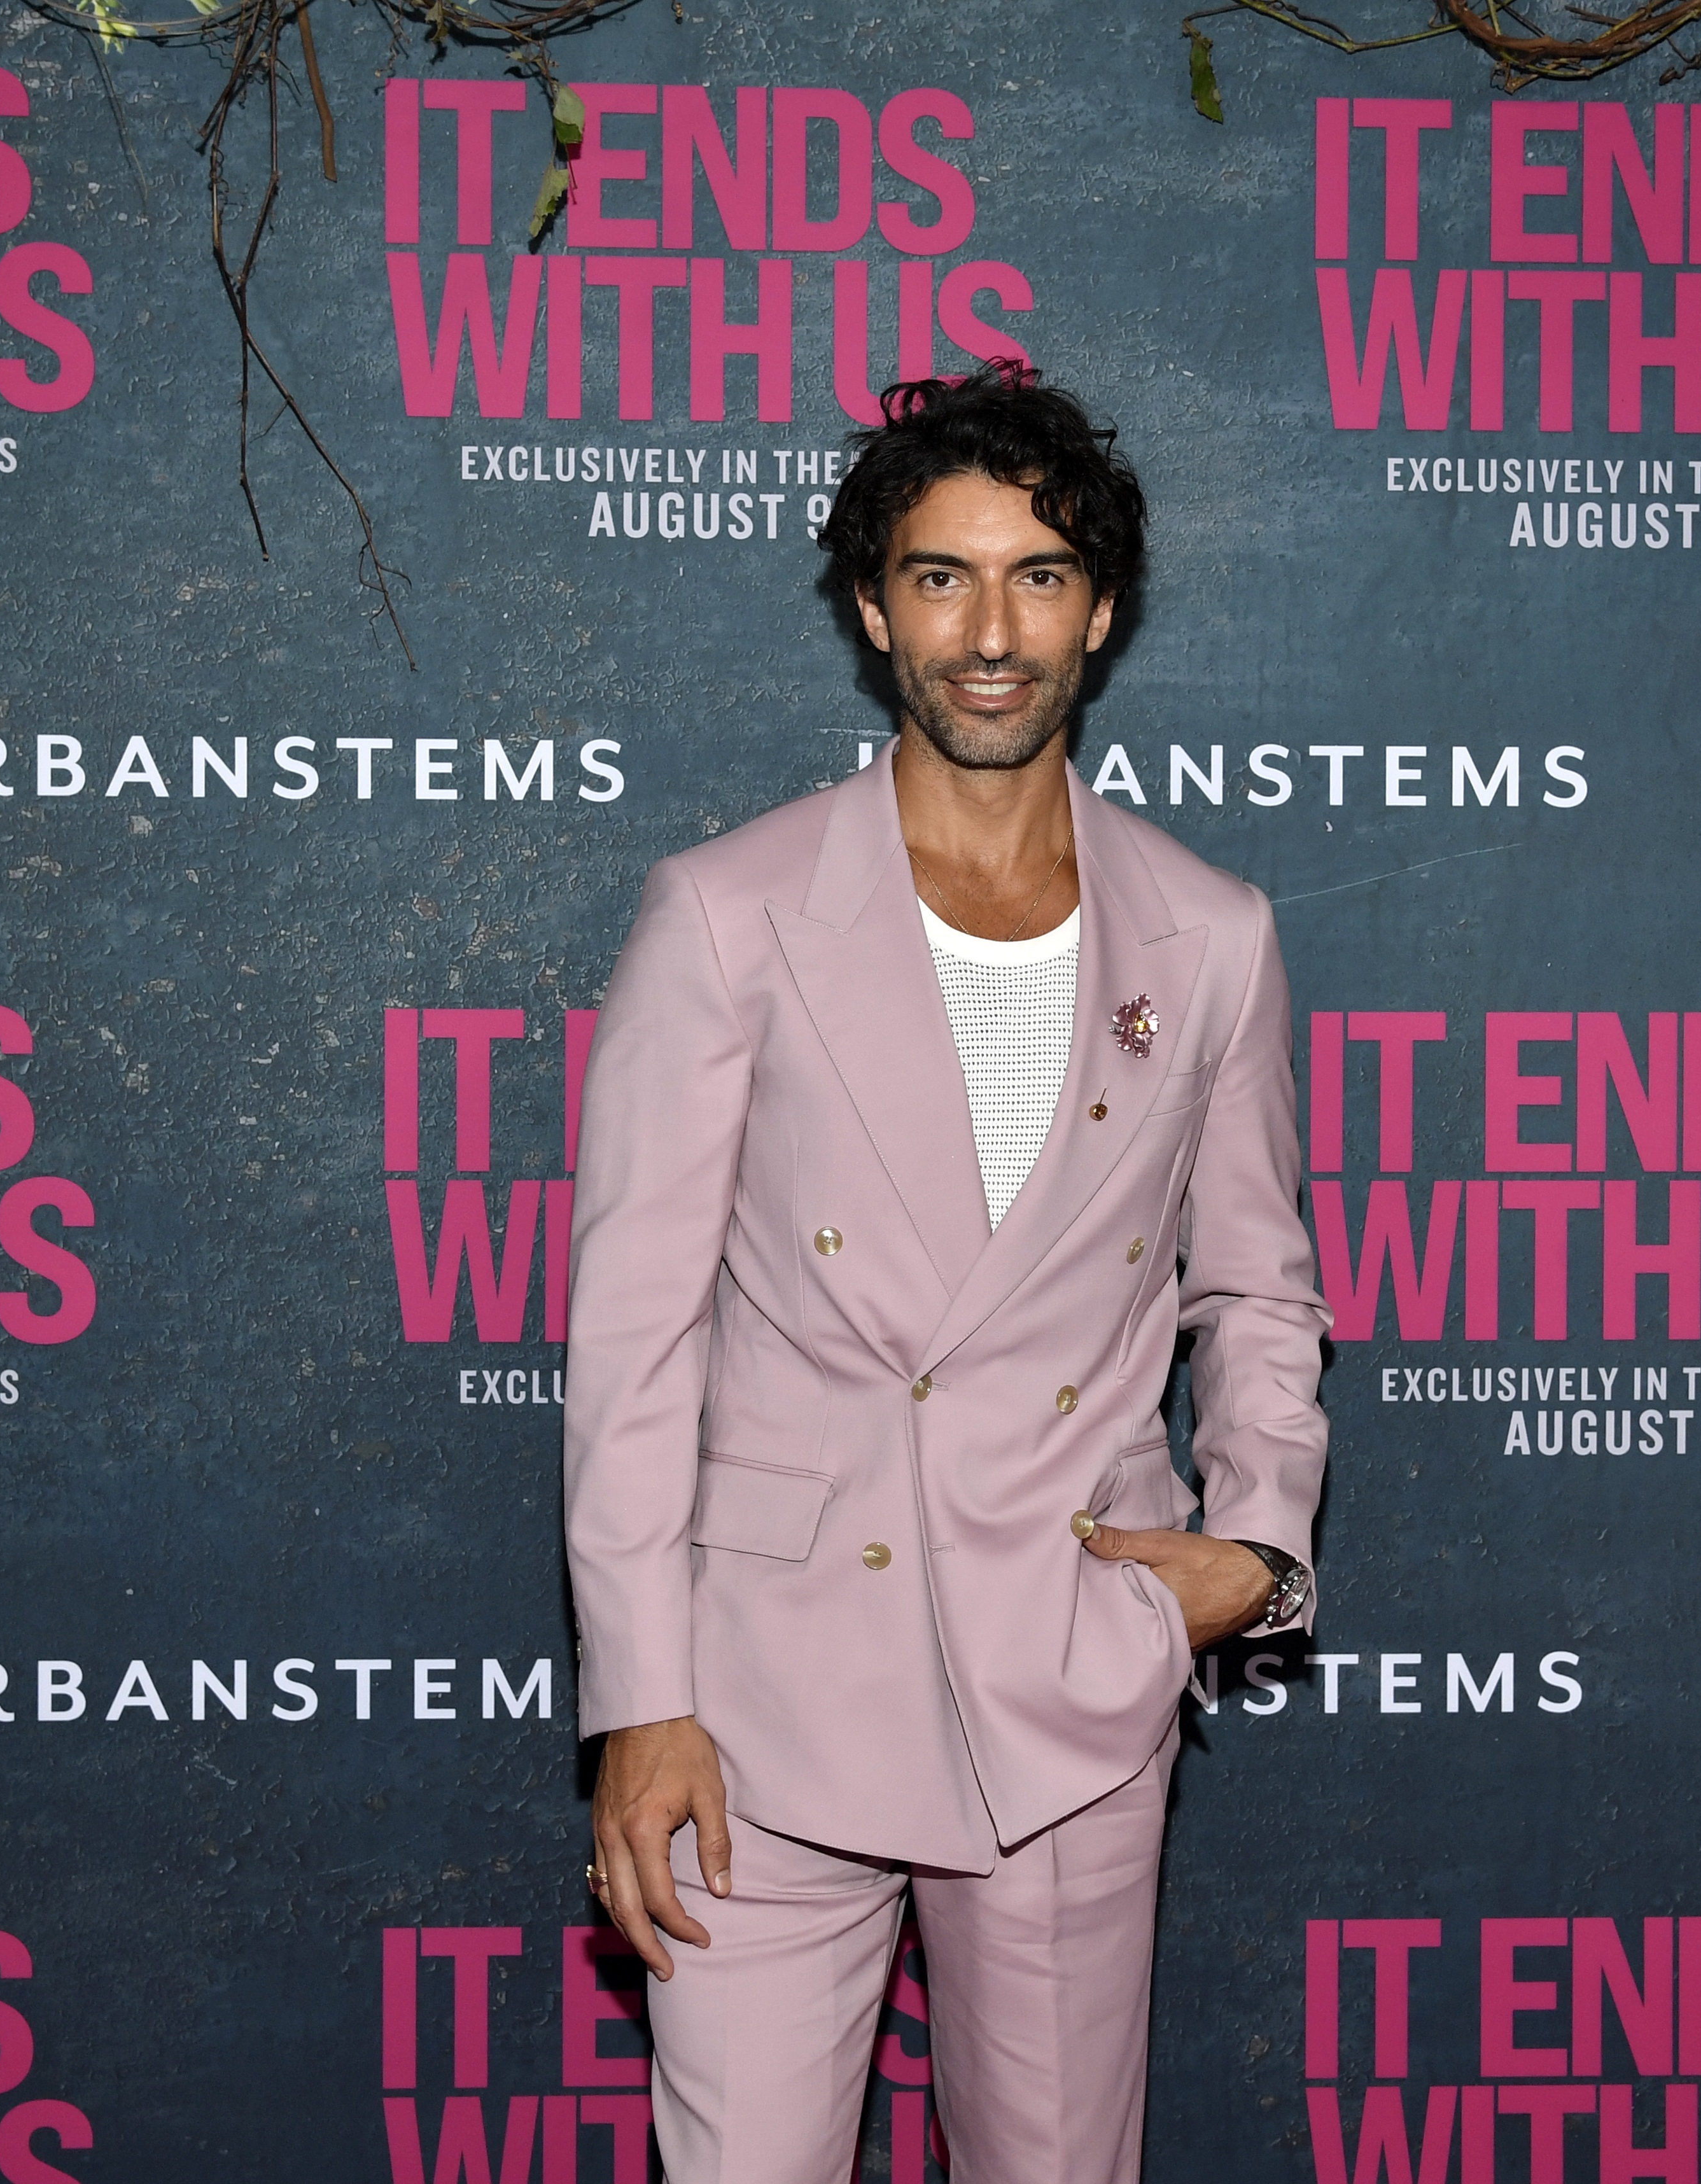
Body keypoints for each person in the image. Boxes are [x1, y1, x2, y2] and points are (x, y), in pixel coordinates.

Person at [561, 361, 1329, 2183]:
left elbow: (1260, 1285)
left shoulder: (1213, 935)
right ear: (869, 607)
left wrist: (1258, 1539)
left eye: (1040, 577)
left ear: (1105, 610)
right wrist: (638, 1703)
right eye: (940, 577)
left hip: (1066, 1673)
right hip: (756, 1704)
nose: (991, 633)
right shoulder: (730, 912)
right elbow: (633, 1340)